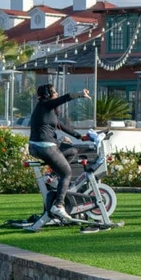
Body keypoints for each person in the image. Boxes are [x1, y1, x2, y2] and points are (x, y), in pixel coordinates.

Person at [27, 83, 92, 221]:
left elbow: (62, 126)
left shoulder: (47, 111)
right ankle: (59, 205)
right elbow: (65, 98)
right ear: (48, 95)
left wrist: (80, 136)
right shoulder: (46, 105)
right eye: (54, 92)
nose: (56, 94)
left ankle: (52, 177)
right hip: (45, 146)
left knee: (72, 150)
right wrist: (81, 94)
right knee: (67, 173)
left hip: (37, 146)